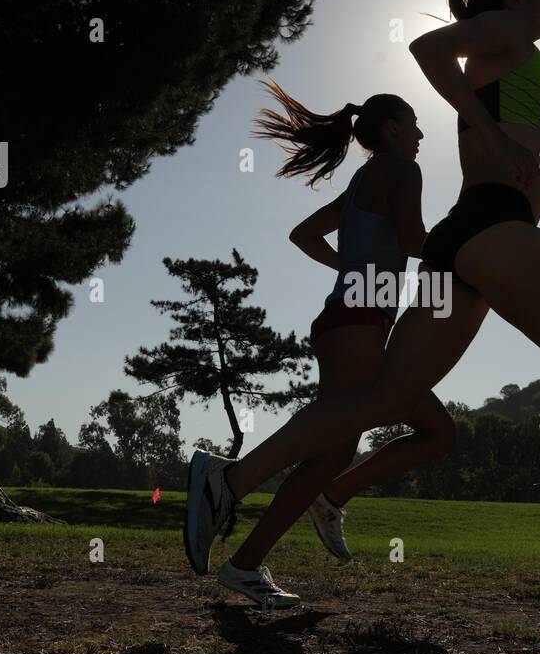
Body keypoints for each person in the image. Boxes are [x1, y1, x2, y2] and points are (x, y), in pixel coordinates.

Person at [189, 0, 540, 613]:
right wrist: (494, 131)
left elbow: (510, 169)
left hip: (464, 242)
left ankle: (227, 478)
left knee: (389, 395)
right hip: (491, 231)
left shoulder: (511, 49)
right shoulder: (506, 28)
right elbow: (427, 47)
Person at [187, 83, 456, 608]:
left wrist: (351, 271)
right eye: (415, 123)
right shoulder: (403, 170)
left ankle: (246, 564)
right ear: (393, 129)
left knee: (332, 452)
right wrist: (471, 241)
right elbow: (414, 243)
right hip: (358, 323)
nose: (422, 134)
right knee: (436, 431)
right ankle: (231, 482)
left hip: (344, 319)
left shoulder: (361, 181)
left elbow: (303, 234)